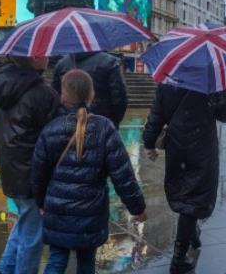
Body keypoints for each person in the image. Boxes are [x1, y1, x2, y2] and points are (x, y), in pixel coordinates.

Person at [32, 69, 147, 274]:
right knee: (86, 261)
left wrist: (41, 202)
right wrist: (137, 207)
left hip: (57, 210)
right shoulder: (104, 128)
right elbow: (123, 175)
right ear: (92, 94)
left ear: (63, 95)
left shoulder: (50, 129)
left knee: (57, 259)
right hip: (91, 212)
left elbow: (38, 173)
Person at [142, 85, 226, 274]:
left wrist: (149, 142)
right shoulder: (213, 82)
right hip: (203, 146)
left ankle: (192, 235)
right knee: (194, 197)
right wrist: (221, 92)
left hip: (177, 145)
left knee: (185, 193)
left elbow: (156, 114)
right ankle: (178, 257)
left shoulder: (167, 82)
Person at [0, 56, 60, 274]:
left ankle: (5, 268)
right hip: (32, 173)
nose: (48, 57)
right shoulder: (42, 93)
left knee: (25, 222)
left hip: (11, 167)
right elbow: (55, 136)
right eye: (44, 53)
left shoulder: (3, 85)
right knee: (33, 236)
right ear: (34, 57)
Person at [52, 52, 128, 128]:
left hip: (67, 123)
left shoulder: (61, 64)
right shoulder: (110, 62)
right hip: (103, 122)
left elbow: (55, 97)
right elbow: (120, 97)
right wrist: (113, 121)